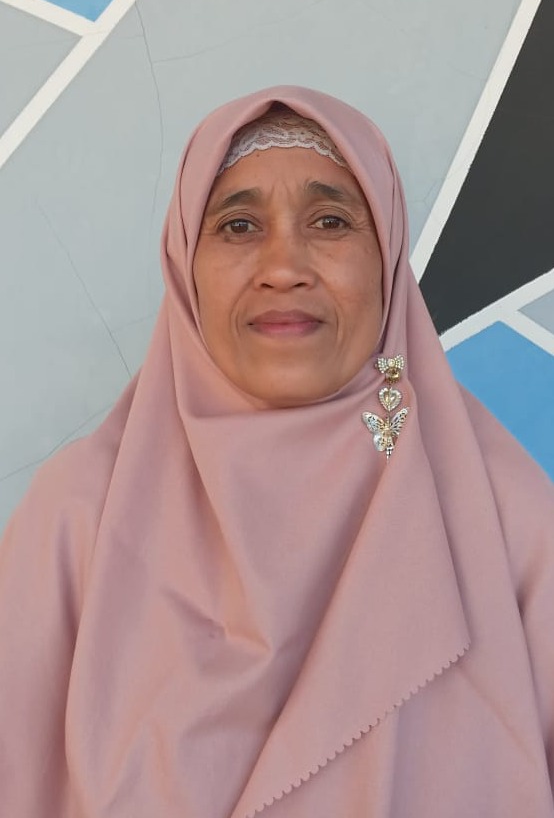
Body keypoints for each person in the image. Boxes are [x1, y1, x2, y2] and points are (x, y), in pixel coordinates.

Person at [0, 86, 553, 817]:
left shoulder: (508, 520)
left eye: (330, 222)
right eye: (238, 225)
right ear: (185, 268)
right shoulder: (79, 517)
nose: (284, 266)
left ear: (387, 263)